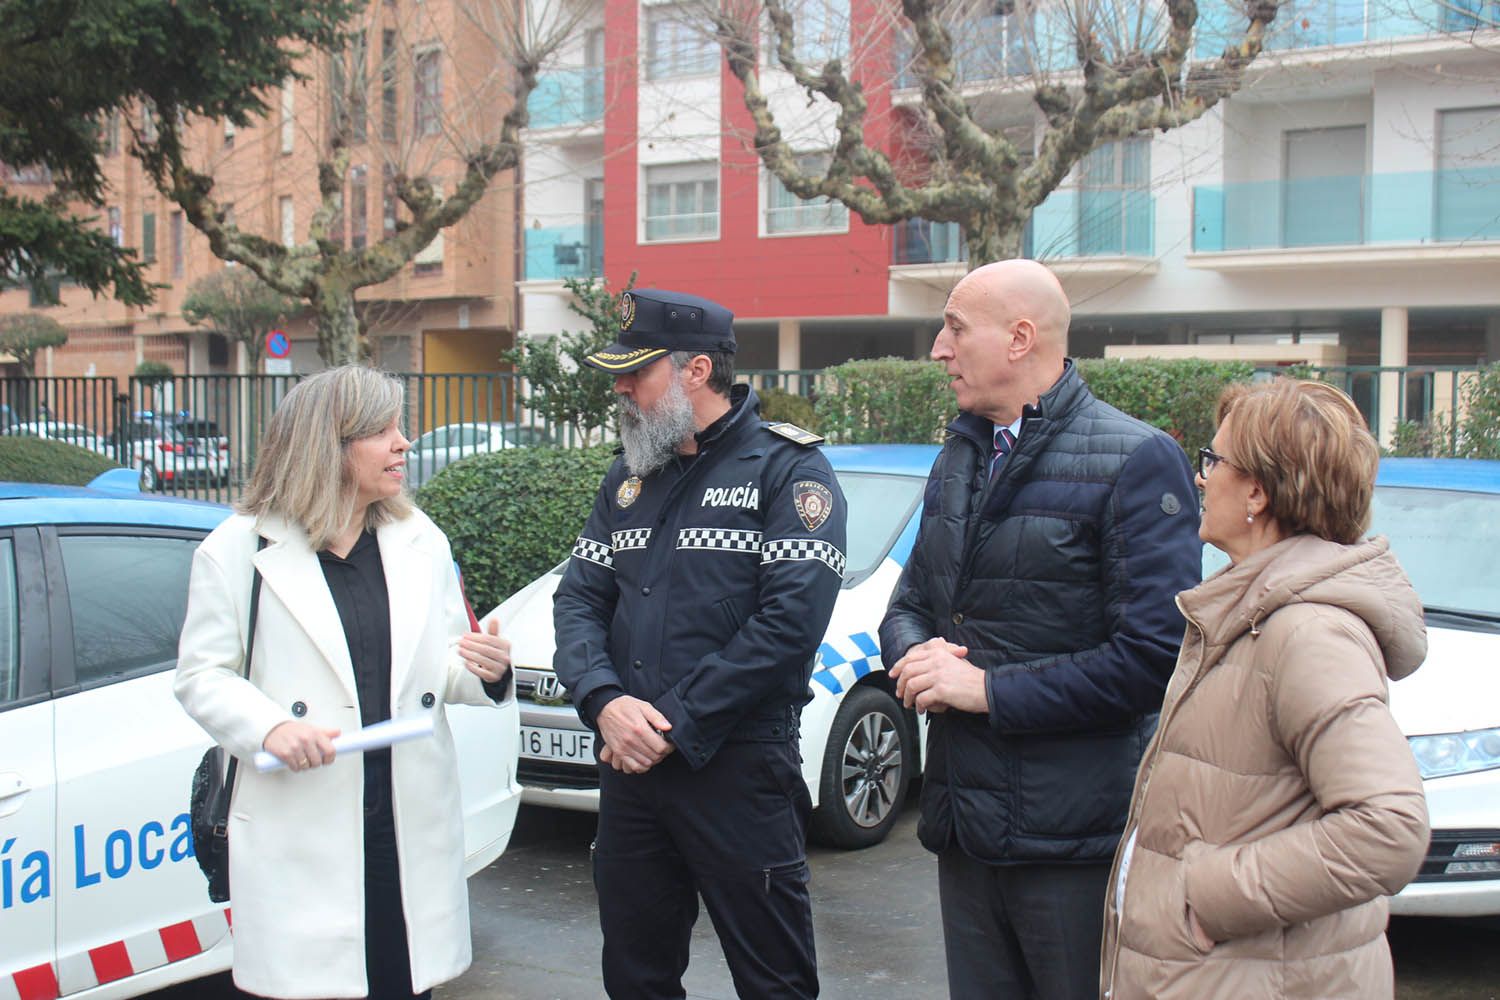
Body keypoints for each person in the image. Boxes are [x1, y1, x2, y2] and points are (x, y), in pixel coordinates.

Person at [879, 259, 1202, 1000]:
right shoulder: (959, 455)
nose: (939, 348)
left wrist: (987, 690)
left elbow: (1154, 660)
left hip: (1070, 846)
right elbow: (908, 603)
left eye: (956, 328)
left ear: (1021, 337)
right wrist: (915, 654)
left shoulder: (1137, 459)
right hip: (964, 831)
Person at [174, 365, 513, 1000]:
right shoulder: (236, 550)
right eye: (383, 431)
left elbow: (442, 668)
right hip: (305, 830)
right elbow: (201, 676)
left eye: (400, 428)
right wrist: (270, 727)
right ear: (330, 444)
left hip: (406, 828)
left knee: (404, 983)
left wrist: (485, 671)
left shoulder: (421, 540)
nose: (403, 443)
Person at [553, 288, 846, 999]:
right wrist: (605, 702)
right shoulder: (627, 477)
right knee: (635, 975)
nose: (621, 388)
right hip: (632, 771)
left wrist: (673, 725)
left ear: (695, 372)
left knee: (774, 981)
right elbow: (579, 599)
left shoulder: (789, 471)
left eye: (637, 372)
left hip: (738, 770)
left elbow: (787, 628)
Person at [1100, 378, 1430, 1000]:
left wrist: (1208, 895)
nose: (1200, 479)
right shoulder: (1248, 611)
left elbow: (1389, 830)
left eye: (1213, 461)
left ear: (1257, 491)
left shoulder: (1308, 633)